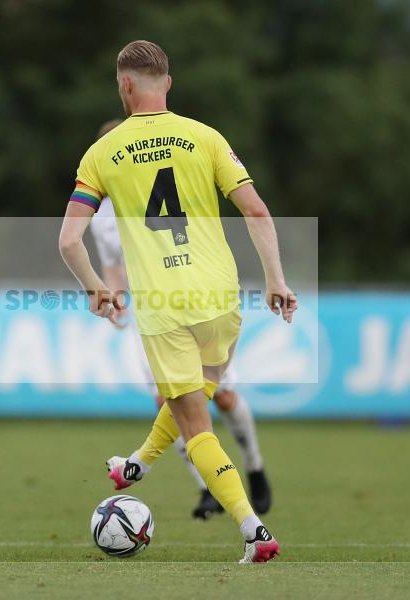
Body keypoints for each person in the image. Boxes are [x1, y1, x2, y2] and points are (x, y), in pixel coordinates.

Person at [59, 41, 295, 563]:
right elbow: (256, 212)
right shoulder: (205, 137)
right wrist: (276, 279)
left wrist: (97, 288)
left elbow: (68, 241)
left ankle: (254, 531)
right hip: (219, 297)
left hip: (164, 306)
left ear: (124, 85)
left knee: (196, 425)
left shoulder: (102, 154)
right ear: (168, 82)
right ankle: (135, 465)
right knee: (199, 392)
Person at [87, 119, 272, 520]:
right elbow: (114, 266)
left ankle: (255, 467)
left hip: (199, 302)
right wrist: (114, 298)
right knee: (168, 401)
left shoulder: (170, 178)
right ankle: (208, 487)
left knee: (220, 396)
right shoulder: (103, 219)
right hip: (153, 316)